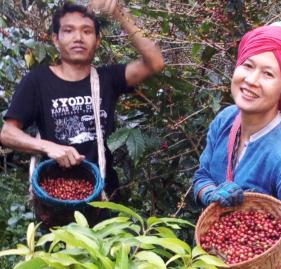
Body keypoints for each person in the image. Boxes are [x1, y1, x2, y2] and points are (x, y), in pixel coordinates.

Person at [0, 1, 164, 225]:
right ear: (55, 39)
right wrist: (49, 147)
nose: (78, 37)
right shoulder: (37, 82)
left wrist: (119, 15)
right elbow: (8, 133)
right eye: (68, 30)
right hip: (54, 204)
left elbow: (154, 62)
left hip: (104, 199)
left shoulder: (108, 79)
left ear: (97, 40)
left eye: (87, 31)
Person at [193, 21, 281, 269]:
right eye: (248, 65)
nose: (252, 80)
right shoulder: (226, 119)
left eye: (268, 74)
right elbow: (202, 176)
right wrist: (210, 194)